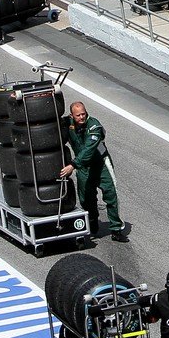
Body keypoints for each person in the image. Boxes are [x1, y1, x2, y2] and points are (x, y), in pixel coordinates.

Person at [59, 101, 130, 241]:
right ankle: (92, 222)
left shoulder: (94, 126)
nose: (81, 117)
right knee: (85, 198)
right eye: (78, 115)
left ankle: (116, 229)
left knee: (111, 195)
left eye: (83, 114)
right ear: (72, 115)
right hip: (84, 167)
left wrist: (72, 165)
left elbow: (88, 150)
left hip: (101, 164)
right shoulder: (68, 123)